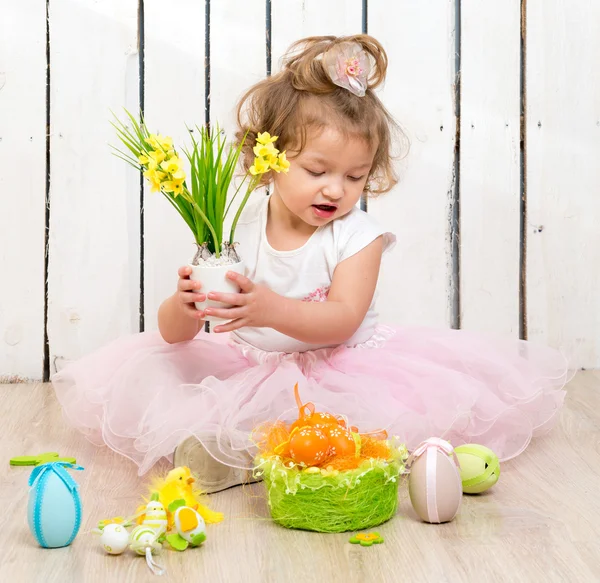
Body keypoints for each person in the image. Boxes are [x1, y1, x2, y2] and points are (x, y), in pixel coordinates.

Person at [52, 35, 570, 493]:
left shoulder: (357, 236)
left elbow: (343, 318)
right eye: (317, 169)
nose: (335, 189)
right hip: (247, 368)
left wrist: (269, 308)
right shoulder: (236, 224)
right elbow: (175, 336)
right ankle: (240, 457)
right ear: (269, 159)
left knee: (349, 433)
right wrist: (184, 305)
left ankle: (284, 460)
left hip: (340, 370)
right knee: (179, 384)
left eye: (354, 177)